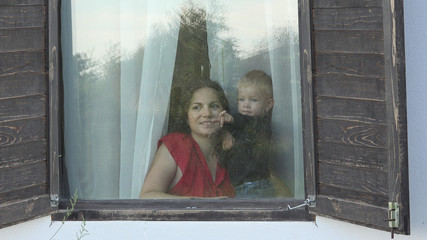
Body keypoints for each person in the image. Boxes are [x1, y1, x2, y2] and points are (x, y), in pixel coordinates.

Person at [139, 80, 235, 199]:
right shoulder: (176, 146)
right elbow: (147, 196)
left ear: (224, 113)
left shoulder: (230, 149)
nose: (207, 113)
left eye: (214, 106)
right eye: (197, 107)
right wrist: (201, 203)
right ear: (187, 115)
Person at [219, 70, 275, 198]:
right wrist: (226, 133)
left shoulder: (263, 125)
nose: (246, 105)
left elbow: (246, 122)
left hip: (256, 187)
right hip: (239, 188)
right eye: (241, 99)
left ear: (268, 105)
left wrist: (232, 119)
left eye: (253, 100)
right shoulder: (237, 126)